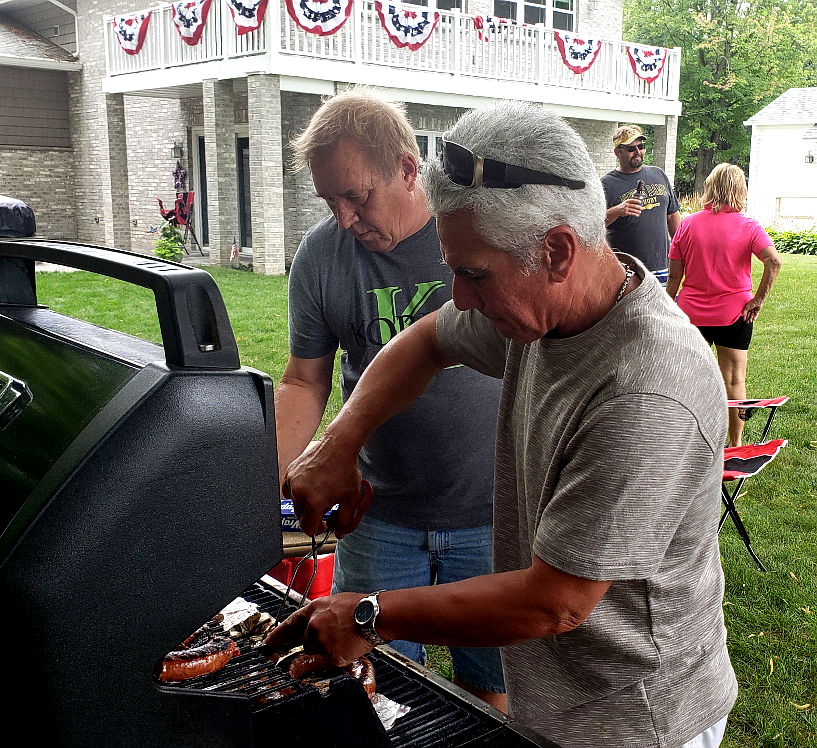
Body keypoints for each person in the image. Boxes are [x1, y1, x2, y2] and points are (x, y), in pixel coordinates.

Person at [268, 101, 736, 748]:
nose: (458, 297)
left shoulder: (648, 386)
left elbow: (556, 601)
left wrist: (371, 614)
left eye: (471, 274)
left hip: (639, 719)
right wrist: (340, 443)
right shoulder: (544, 313)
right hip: (562, 701)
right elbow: (428, 339)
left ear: (557, 250)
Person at [274, 89, 506, 708]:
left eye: (356, 195)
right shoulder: (322, 256)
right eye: (329, 200)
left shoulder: (471, 234)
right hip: (380, 518)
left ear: (407, 169)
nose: (344, 217)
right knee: (373, 689)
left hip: (491, 511)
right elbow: (304, 380)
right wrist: (269, 478)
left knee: (490, 692)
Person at [667, 163, 782, 447]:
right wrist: (758, 299)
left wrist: (669, 305)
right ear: (740, 190)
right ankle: (735, 446)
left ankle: (688, 444)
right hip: (736, 314)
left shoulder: (688, 224)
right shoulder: (749, 226)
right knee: (734, 382)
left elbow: (674, 276)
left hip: (691, 316)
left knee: (689, 381)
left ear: (709, 187)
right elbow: (774, 260)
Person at [602, 125, 681, 282]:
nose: (638, 152)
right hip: (628, 273)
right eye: (632, 148)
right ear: (618, 152)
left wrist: (681, 251)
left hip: (662, 268)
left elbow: (672, 217)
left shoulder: (658, 174)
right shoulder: (606, 184)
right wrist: (617, 210)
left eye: (641, 146)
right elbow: (594, 224)